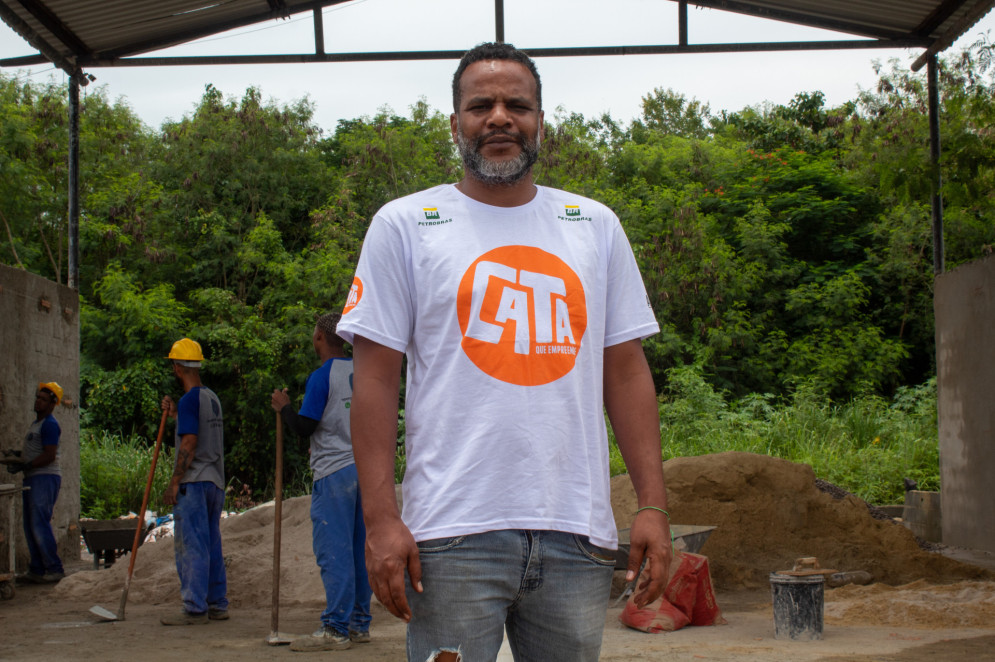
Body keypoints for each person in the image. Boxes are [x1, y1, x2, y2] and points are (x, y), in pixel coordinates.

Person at [338, 42, 672, 662]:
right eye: (480, 105)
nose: (499, 117)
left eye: (517, 104)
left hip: (577, 533)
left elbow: (625, 374)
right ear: (455, 122)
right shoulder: (406, 225)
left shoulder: (593, 226)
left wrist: (650, 505)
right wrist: (382, 521)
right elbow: (376, 383)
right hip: (451, 535)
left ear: (540, 120)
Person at [270, 312, 372, 652]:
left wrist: (284, 408)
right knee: (359, 549)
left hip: (333, 473)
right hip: (363, 469)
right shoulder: (362, 370)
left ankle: (335, 627)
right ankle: (359, 623)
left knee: (335, 551)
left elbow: (304, 428)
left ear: (319, 338)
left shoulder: (322, 376)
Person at [160, 337, 229, 626]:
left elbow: (189, 441)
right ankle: (217, 603)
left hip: (195, 482)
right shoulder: (210, 398)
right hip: (215, 482)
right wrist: (176, 414)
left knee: (192, 545)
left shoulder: (190, 400)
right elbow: (195, 426)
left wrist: (175, 480)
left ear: (177, 367)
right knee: (211, 542)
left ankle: (194, 607)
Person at [6, 382, 65, 584]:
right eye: (37, 398)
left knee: (39, 523)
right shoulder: (36, 424)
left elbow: (49, 455)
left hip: (44, 476)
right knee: (31, 524)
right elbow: (37, 450)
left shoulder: (49, 424)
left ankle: (53, 568)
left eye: (43, 399)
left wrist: (26, 465)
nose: (38, 402)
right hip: (34, 476)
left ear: (52, 404)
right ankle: (38, 569)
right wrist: (18, 456)